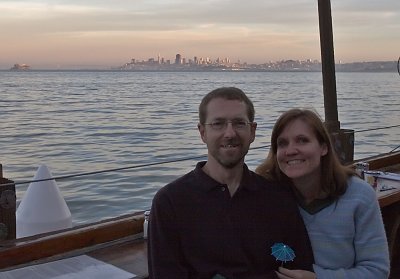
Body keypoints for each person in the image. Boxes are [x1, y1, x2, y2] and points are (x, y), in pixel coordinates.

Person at [148, 87, 314, 278]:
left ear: (252, 132)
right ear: (202, 132)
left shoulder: (277, 199)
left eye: (239, 123)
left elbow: (300, 268)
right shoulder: (171, 203)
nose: (229, 133)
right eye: (218, 124)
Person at [256, 108, 390, 279]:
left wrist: (317, 277)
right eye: (282, 143)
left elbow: (377, 271)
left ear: (324, 148)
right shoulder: (266, 195)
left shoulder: (359, 195)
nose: (290, 150)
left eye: (302, 140)